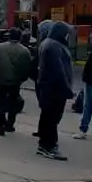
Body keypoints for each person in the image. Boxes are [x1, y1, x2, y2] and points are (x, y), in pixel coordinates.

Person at [35, 20, 75, 160]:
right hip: (54, 90)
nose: (69, 36)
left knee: (49, 117)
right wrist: (67, 89)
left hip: (50, 89)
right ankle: (48, 146)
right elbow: (58, 71)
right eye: (67, 33)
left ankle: (45, 144)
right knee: (52, 118)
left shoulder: (50, 44)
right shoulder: (53, 47)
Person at [0, 27, 32, 135]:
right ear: (20, 37)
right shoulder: (24, 51)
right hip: (15, 82)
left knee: (0, 101)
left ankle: (1, 124)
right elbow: (27, 68)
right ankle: (10, 124)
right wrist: (22, 79)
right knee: (13, 101)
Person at [28, 20, 54, 138]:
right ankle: (43, 131)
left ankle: (46, 134)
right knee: (45, 108)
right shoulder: (46, 45)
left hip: (46, 83)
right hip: (43, 82)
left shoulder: (47, 46)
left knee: (47, 109)